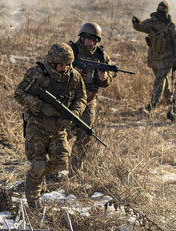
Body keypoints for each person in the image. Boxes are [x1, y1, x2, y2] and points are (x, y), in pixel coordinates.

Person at [14, 43, 86, 209]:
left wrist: (74, 113)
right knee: (38, 164)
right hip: (36, 126)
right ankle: (33, 200)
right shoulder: (37, 74)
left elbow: (81, 98)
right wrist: (40, 106)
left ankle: (34, 177)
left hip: (59, 128)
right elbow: (19, 93)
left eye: (68, 65)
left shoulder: (74, 77)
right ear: (52, 63)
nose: (64, 68)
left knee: (61, 163)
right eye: (61, 65)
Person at [68, 22, 113, 173]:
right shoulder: (70, 51)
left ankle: (75, 171)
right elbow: (54, 70)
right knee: (62, 133)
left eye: (94, 40)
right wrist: (71, 71)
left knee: (86, 135)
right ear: (81, 37)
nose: (91, 43)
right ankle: (53, 167)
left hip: (88, 101)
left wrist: (103, 77)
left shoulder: (101, 56)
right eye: (88, 39)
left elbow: (108, 81)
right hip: (69, 100)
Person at [132, 0, 176, 113]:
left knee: (159, 80)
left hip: (167, 57)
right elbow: (141, 27)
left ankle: (152, 105)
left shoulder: (172, 26)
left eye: (163, 9)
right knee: (161, 78)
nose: (160, 11)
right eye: (159, 8)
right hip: (154, 57)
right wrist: (136, 23)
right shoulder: (152, 22)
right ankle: (168, 99)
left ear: (167, 11)